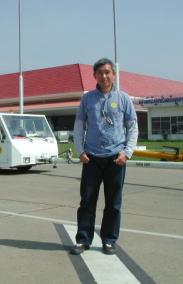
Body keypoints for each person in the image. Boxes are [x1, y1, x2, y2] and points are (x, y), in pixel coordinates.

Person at [70, 58, 138, 255]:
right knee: (87, 201)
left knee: (113, 203)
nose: (104, 76)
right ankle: (83, 239)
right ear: (95, 76)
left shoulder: (123, 98)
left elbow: (132, 127)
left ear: (113, 75)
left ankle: (109, 240)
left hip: (115, 158)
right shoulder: (87, 99)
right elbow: (78, 125)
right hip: (91, 158)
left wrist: (127, 152)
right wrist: (80, 150)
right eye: (100, 73)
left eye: (108, 72)